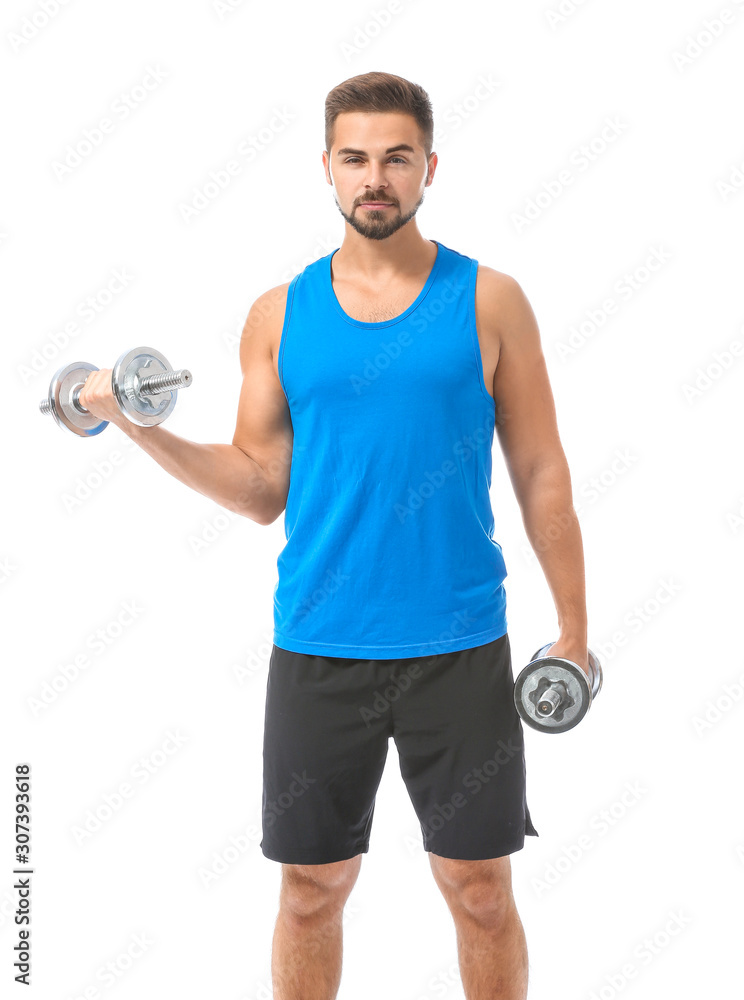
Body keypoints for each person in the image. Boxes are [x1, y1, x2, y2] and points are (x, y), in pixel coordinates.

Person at [79, 70, 591, 1000]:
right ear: (326, 168)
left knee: (480, 892)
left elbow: (540, 470)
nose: (376, 178)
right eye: (355, 158)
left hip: (461, 648)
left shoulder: (492, 300)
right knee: (312, 893)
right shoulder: (279, 314)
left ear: (430, 167)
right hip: (318, 646)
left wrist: (576, 628)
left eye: (397, 157)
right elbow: (259, 486)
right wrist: (140, 424)